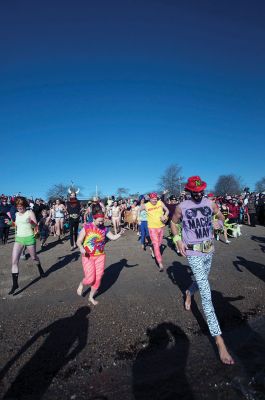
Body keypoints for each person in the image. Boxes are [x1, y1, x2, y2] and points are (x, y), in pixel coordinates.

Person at [170, 176, 234, 365]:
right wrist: (178, 240)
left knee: (202, 280)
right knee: (206, 294)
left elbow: (222, 217)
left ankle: (189, 292)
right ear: (189, 191)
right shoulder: (182, 206)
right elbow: (173, 223)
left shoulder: (210, 203)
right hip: (192, 252)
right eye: (195, 192)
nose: (198, 195)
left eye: (201, 192)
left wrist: (220, 223)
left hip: (209, 250)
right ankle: (219, 341)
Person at [76, 211, 125, 305]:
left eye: (102, 221)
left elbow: (113, 238)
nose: (101, 223)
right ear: (94, 219)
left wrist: (120, 234)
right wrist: (81, 248)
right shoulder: (87, 227)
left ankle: (91, 297)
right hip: (88, 256)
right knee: (90, 279)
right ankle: (82, 284)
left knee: (98, 278)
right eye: (99, 221)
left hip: (100, 256)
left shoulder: (104, 229)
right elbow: (79, 241)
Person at [8, 197, 45, 295]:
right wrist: (11, 223)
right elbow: (17, 225)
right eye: (18, 206)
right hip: (18, 239)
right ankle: (15, 284)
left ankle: (40, 268)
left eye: (21, 206)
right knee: (14, 261)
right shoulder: (16, 214)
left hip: (29, 238)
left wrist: (31, 222)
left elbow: (35, 226)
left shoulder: (30, 213)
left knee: (34, 257)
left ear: (24, 205)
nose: (19, 208)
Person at [144, 192, 169, 271]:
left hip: (161, 226)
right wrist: (139, 220)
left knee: (159, 243)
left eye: (155, 199)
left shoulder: (160, 202)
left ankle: (153, 250)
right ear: (150, 199)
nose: (155, 201)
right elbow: (138, 209)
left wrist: (165, 216)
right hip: (152, 227)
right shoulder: (146, 205)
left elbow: (167, 211)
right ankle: (160, 263)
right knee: (155, 244)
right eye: (153, 199)